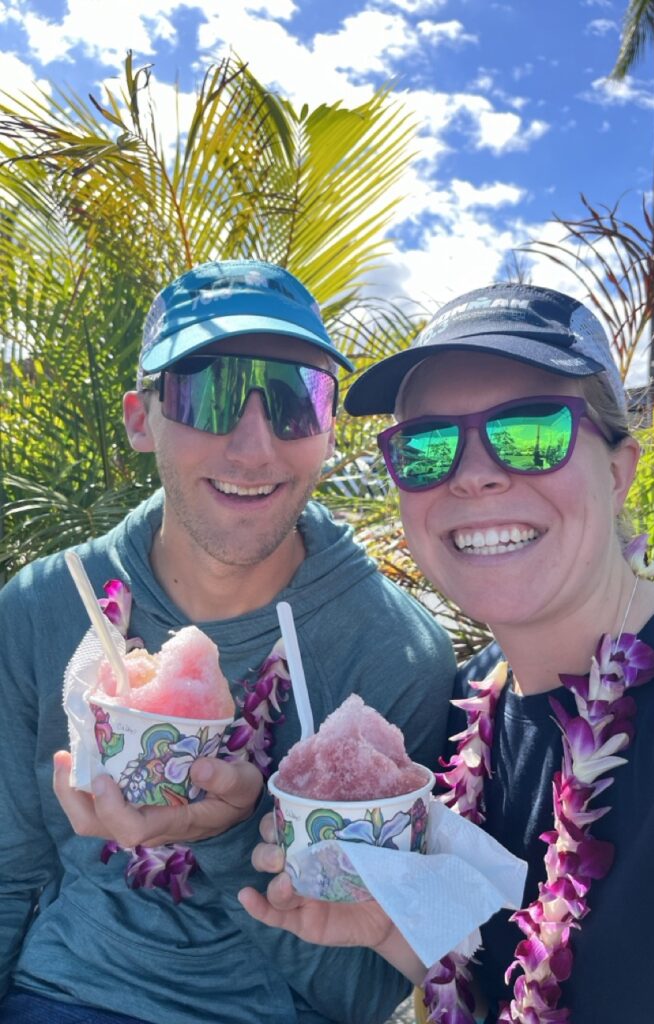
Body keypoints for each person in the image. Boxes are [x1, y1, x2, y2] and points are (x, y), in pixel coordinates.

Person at [239, 283, 654, 1023]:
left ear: (618, 471)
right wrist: (398, 931)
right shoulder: (460, 718)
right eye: (426, 447)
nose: (474, 472)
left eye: (532, 430)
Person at [0, 259, 456, 1024]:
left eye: (293, 400)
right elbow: (10, 869)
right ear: (141, 418)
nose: (253, 448)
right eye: (206, 392)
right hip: (62, 992)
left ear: (328, 430)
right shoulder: (45, 607)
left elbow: (360, 992)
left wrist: (230, 834)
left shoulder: (392, 652)